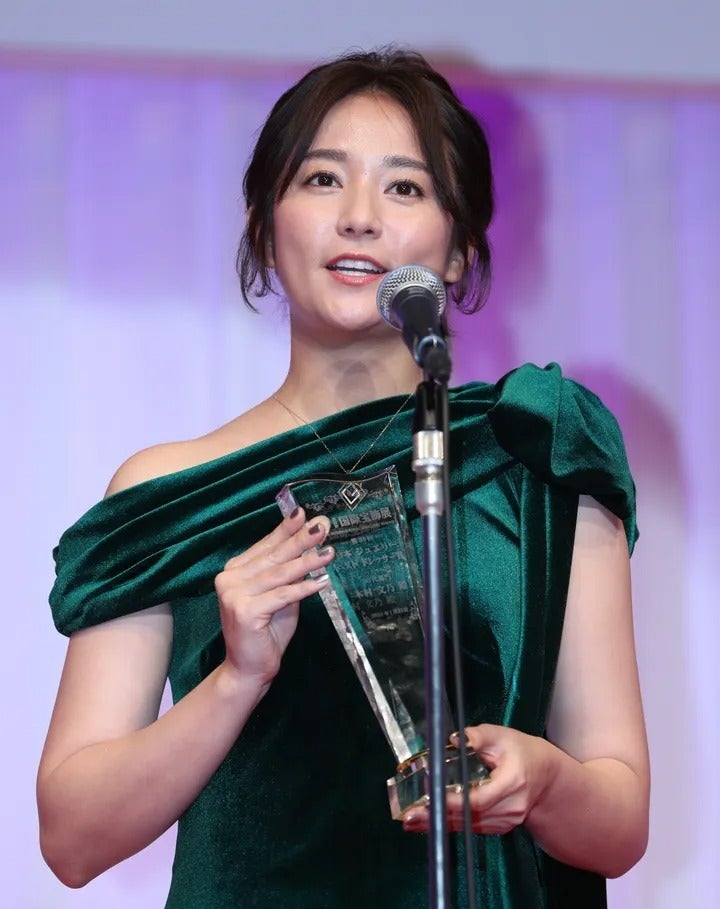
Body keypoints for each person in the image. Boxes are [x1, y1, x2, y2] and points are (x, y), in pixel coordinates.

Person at [38, 48, 649, 908]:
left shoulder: (534, 453)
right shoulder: (170, 493)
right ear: (263, 224)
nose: (359, 218)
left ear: (460, 250)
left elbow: (621, 824)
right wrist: (236, 678)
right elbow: (70, 838)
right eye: (323, 179)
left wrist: (544, 781)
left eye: (405, 187)